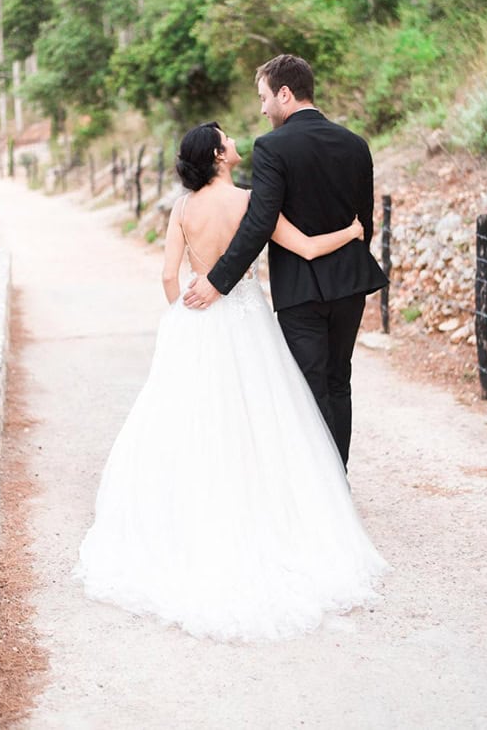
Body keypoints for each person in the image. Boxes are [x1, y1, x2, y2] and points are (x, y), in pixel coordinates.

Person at [75, 121, 387, 643]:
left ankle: (192, 514)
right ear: (219, 155)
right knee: (262, 414)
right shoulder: (248, 201)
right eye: (228, 139)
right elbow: (307, 248)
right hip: (245, 318)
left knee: (191, 419)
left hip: (198, 319)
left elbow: (168, 275)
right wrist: (353, 233)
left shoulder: (182, 208)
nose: (237, 141)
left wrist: (183, 316)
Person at [184, 55, 388, 468]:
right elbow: (364, 222)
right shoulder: (355, 144)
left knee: (310, 387)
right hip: (350, 283)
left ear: (284, 93)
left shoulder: (272, 146)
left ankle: (325, 484)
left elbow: (260, 223)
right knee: (339, 380)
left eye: (263, 98)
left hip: (300, 288)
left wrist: (217, 281)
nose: (262, 109)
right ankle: (338, 477)